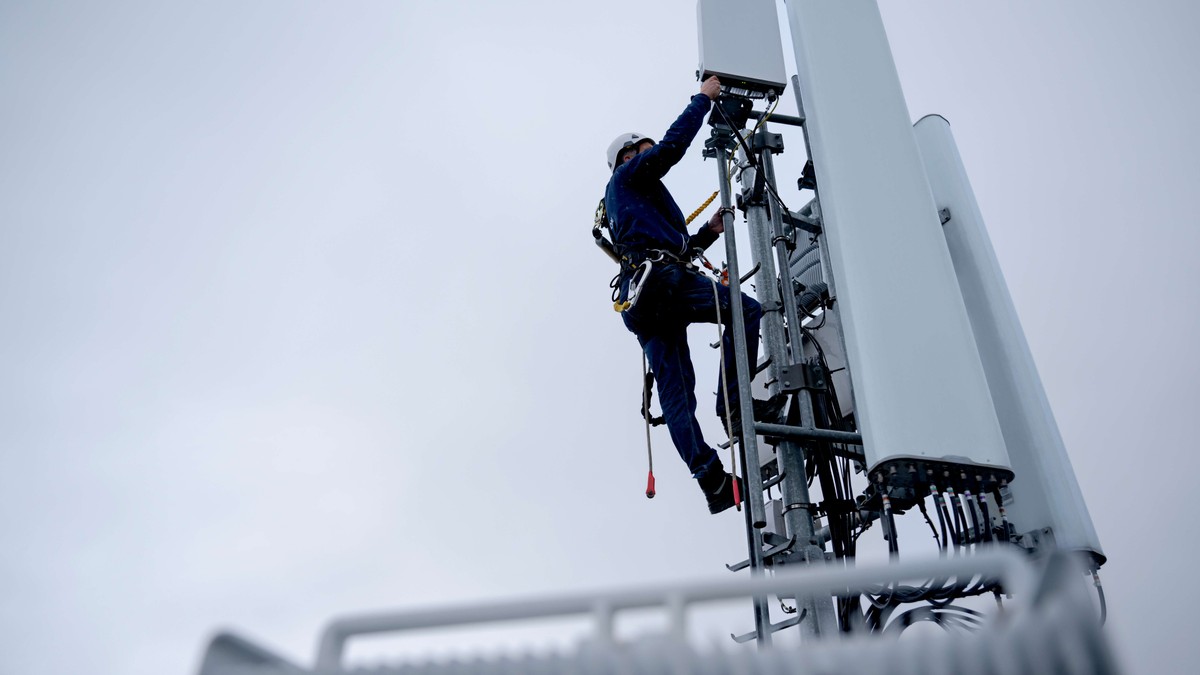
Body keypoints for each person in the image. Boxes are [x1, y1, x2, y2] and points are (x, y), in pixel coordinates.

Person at [604, 76, 784, 514]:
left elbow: (676, 251)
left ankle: (713, 481)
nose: (648, 157)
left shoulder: (633, 203)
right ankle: (735, 408)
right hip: (663, 283)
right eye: (641, 151)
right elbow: (670, 149)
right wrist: (702, 100)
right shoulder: (628, 177)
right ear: (628, 157)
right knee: (746, 311)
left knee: (678, 393)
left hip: (646, 298)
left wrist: (704, 233)